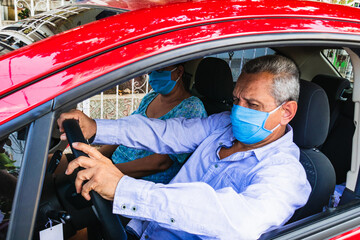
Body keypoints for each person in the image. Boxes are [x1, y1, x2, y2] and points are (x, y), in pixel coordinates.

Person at [58, 55, 311, 239]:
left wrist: (123, 187)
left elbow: (238, 221)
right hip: (142, 229)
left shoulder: (285, 174)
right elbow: (166, 132)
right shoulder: (222, 126)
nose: (238, 112)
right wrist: (97, 127)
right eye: (236, 100)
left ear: (286, 111)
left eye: (253, 105)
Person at [84, 64, 207, 184]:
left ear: (179, 72)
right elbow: (124, 133)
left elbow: (160, 162)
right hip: (114, 167)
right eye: (150, 71)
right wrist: (95, 157)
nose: (153, 76)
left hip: (138, 182)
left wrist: (108, 171)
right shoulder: (150, 98)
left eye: (160, 70)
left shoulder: (191, 108)